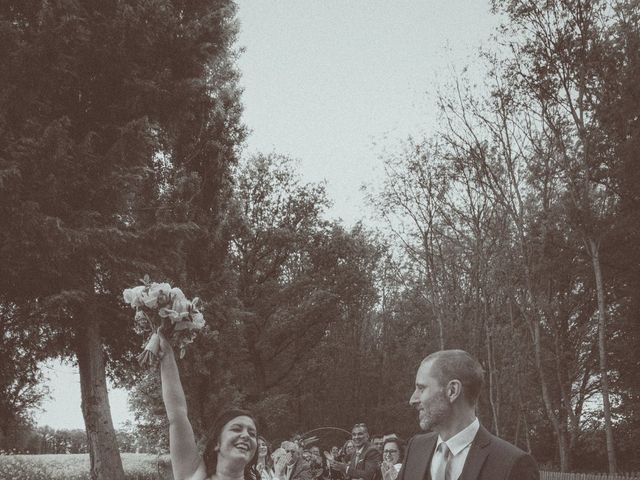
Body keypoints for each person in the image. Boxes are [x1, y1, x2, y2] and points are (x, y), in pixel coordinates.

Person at [398, 350, 539, 480]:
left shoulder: (513, 464)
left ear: (452, 391)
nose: (412, 400)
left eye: (421, 388)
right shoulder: (416, 448)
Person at [158, 331, 260, 480]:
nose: (246, 435)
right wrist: (167, 355)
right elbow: (177, 416)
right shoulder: (194, 475)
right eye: (237, 429)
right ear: (217, 443)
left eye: (252, 434)